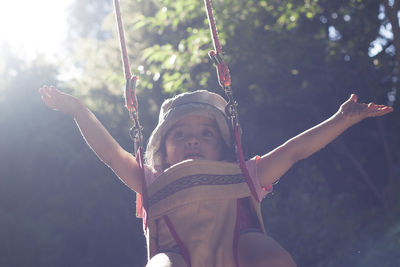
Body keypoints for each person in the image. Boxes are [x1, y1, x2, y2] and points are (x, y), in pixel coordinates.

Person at [39, 85, 393, 267]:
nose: (193, 138)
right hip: (178, 255)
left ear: (224, 146)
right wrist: (78, 110)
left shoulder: (242, 174)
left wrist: (341, 119)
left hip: (240, 250)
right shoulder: (151, 180)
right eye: (179, 134)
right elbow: (111, 155)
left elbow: (293, 150)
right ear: (161, 150)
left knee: (272, 259)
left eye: (206, 133)